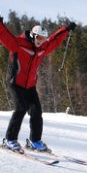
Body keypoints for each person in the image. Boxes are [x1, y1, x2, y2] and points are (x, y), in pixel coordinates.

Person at [0, 15, 76, 152]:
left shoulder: (42, 48)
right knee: (21, 108)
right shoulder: (18, 44)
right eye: (39, 39)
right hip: (15, 83)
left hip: (30, 86)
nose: (41, 42)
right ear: (33, 36)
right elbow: (5, 36)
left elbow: (54, 40)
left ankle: (34, 141)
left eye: (43, 39)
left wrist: (66, 29)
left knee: (36, 112)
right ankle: (10, 140)